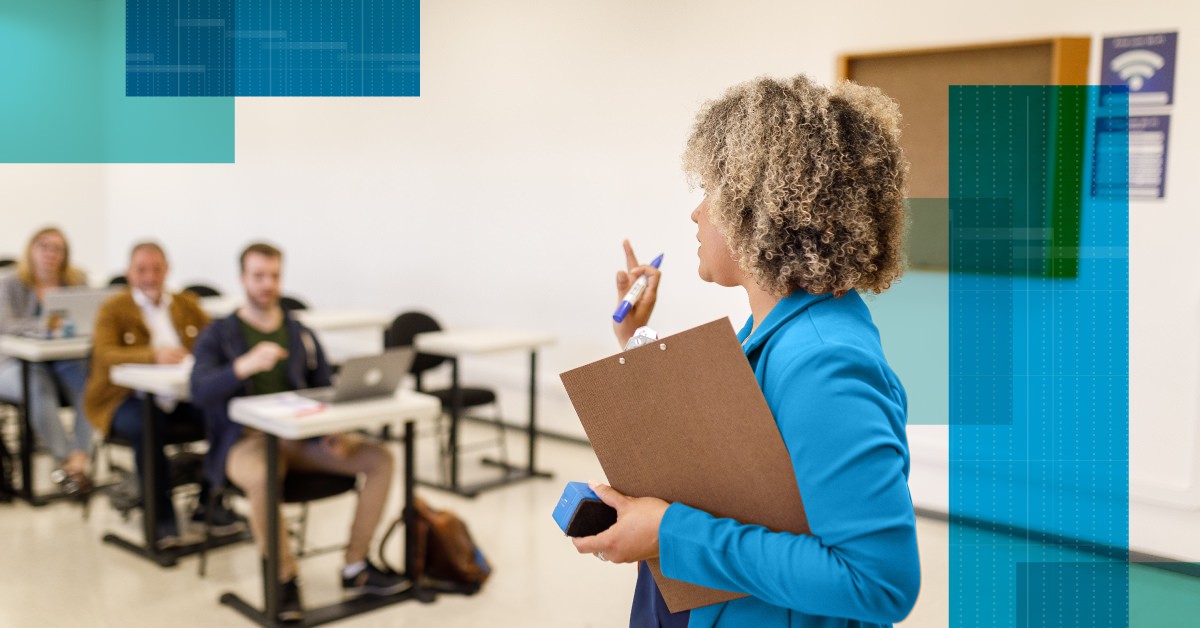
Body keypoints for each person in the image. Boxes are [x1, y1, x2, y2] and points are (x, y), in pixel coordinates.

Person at [572, 75, 921, 627]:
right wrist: (636, 337)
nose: (696, 214)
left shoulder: (824, 363)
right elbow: (730, 471)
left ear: (759, 209)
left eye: (710, 192)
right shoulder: (781, 328)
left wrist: (666, 531)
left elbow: (877, 581)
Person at [190, 242, 405, 623]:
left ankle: (356, 567)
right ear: (243, 279)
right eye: (258, 276)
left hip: (301, 438)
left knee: (380, 459)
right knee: (263, 475)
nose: (267, 285)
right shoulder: (220, 334)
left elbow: (325, 388)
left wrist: (333, 430)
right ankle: (284, 579)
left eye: (274, 276)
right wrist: (242, 367)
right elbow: (200, 390)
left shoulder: (298, 332)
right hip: (246, 443)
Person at [84, 241, 242, 546]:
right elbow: (104, 354)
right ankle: (161, 516)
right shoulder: (113, 308)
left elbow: (212, 341)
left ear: (167, 270)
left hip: (177, 395)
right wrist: (152, 356)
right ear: (130, 273)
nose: (150, 276)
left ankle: (209, 503)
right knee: (148, 424)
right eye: (142, 269)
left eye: (157, 269)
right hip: (124, 399)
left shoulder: (185, 303)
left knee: (223, 412)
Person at [0, 227, 95, 494]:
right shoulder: (8, 283)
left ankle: (77, 461)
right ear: (31, 249)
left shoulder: (76, 282)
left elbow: (91, 318)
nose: (51, 254)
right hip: (14, 362)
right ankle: (69, 463)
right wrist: (44, 325)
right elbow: (6, 324)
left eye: (58, 248)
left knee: (88, 386)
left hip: (64, 359)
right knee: (39, 387)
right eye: (44, 246)